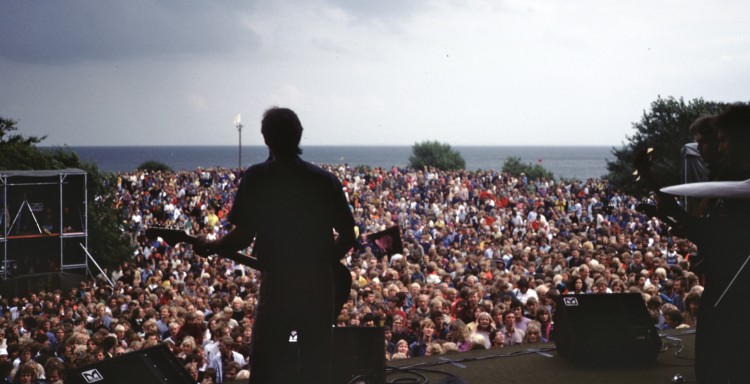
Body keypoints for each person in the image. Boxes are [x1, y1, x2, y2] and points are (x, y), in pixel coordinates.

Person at [195, 107, 356, 384]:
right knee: (315, 362)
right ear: (299, 136)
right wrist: (324, 262)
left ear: (266, 138)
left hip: (279, 282)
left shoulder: (258, 178)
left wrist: (212, 245)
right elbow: (349, 235)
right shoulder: (324, 180)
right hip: (319, 283)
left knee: (268, 363)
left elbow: (244, 236)